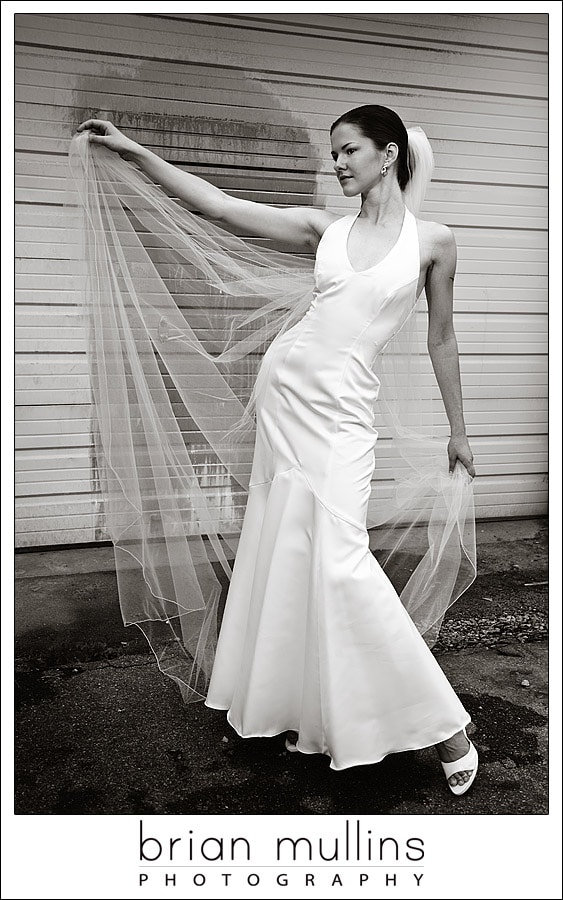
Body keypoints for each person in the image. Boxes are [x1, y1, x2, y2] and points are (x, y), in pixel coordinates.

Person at [75, 104, 478, 795]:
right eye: (333, 153)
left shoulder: (433, 242)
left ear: (387, 154)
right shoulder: (324, 229)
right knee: (291, 550)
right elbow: (225, 210)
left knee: (342, 563)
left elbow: (441, 337)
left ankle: (445, 729)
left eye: (349, 150)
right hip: (286, 404)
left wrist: (459, 428)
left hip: (345, 416)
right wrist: (134, 152)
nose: (338, 163)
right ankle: (300, 705)